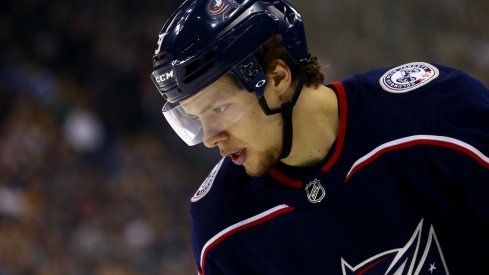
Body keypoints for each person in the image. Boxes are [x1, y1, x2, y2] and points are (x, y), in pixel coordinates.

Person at [150, 0, 489, 274]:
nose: (209, 138)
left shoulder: (432, 112)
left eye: (218, 109)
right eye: (195, 119)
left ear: (278, 77)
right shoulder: (221, 226)